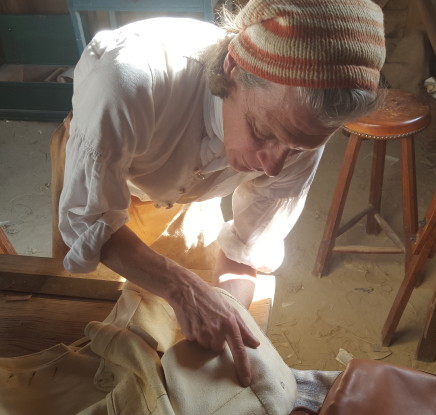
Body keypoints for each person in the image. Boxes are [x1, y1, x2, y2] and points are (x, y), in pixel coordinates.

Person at [57, 0, 386, 387]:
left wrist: (227, 314)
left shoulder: (299, 126)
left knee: (183, 328)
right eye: (263, 132)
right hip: (103, 177)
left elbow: (245, 248)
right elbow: (86, 221)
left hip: (189, 193)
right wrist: (181, 287)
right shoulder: (129, 79)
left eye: (297, 148)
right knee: (79, 333)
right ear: (233, 70)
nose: (274, 166)